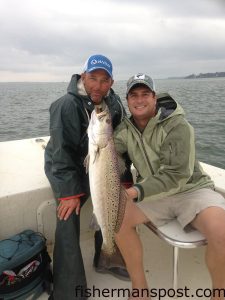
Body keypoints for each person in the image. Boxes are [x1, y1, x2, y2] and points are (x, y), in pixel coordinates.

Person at [114, 73, 225, 300]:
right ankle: (140, 289)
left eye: (145, 94)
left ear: (155, 97)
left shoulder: (177, 124)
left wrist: (134, 191)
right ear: (127, 100)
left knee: (222, 232)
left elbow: (177, 174)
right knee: (116, 217)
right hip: (154, 194)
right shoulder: (125, 130)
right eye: (134, 95)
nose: (139, 100)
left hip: (192, 189)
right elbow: (109, 150)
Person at [44, 54, 131, 300]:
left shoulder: (113, 104)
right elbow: (61, 153)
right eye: (93, 78)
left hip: (102, 164)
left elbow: (122, 145)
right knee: (68, 213)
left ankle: (106, 256)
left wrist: (123, 178)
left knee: (118, 203)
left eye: (104, 80)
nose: (98, 86)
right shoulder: (66, 105)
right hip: (68, 166)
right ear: (83, 77)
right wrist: (69, 192)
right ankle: (70, 289)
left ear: (111, 83)